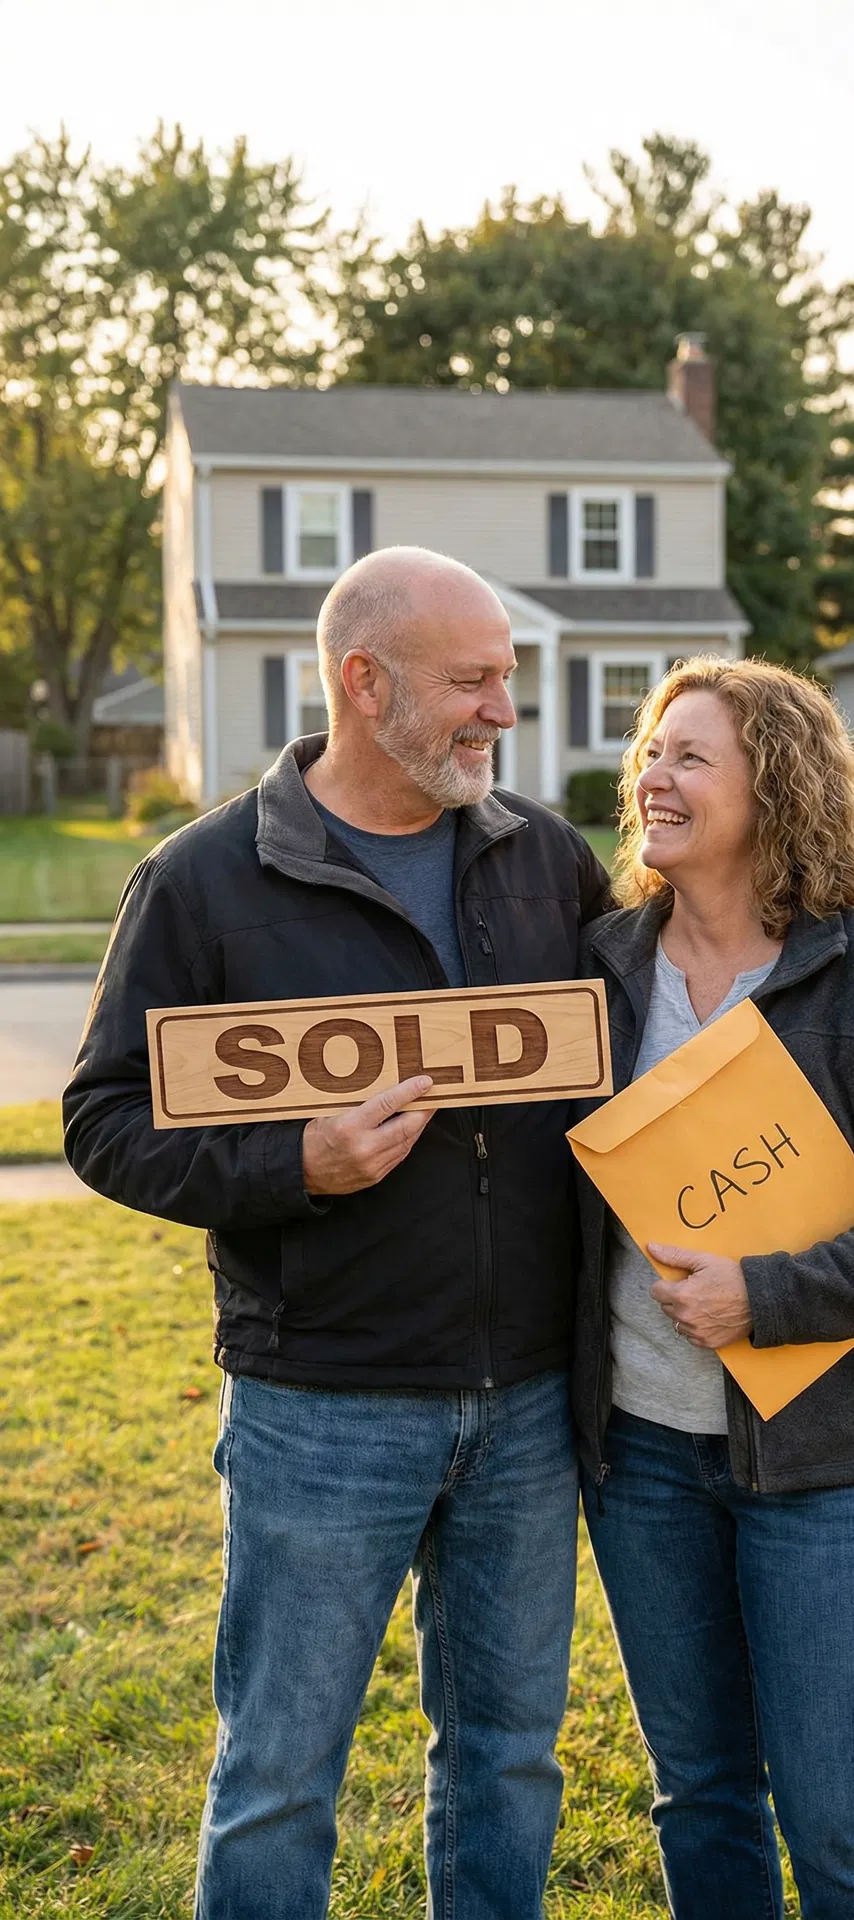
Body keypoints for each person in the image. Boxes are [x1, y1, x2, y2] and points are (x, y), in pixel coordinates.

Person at [64, 546, 612, 1920]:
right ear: (366, 687)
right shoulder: (205, 882)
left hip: (534, 1399)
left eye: (511, 677)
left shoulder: (541, 856)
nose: (504, 709)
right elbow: (105, 1120)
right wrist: (290, 1163)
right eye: (473, 681)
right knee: (280, 1775)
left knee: (506, 1762)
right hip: (323, 1402)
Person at [572, 656, 854, 1920]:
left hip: (838, 1466)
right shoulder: (599, 970)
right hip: (645, 1455)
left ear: (780, 789)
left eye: (690, 757)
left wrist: (772, 1293)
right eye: (651, 750)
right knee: (698, 1792)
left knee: (840, 1823)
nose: (653, 776)